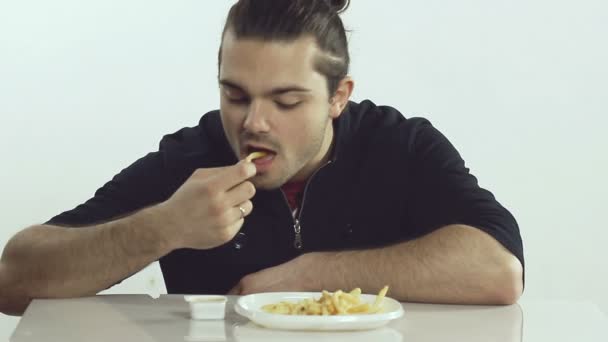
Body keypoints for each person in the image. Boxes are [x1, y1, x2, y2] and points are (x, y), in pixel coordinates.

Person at [0, 0, 524, 316]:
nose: (253, 122)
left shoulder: (400, 146)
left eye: (286, 101)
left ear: (338, 96)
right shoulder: (191, 159)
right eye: (235, 94)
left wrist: (310, 274)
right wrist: (162, 227)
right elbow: (13, 280)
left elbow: (499, 271)